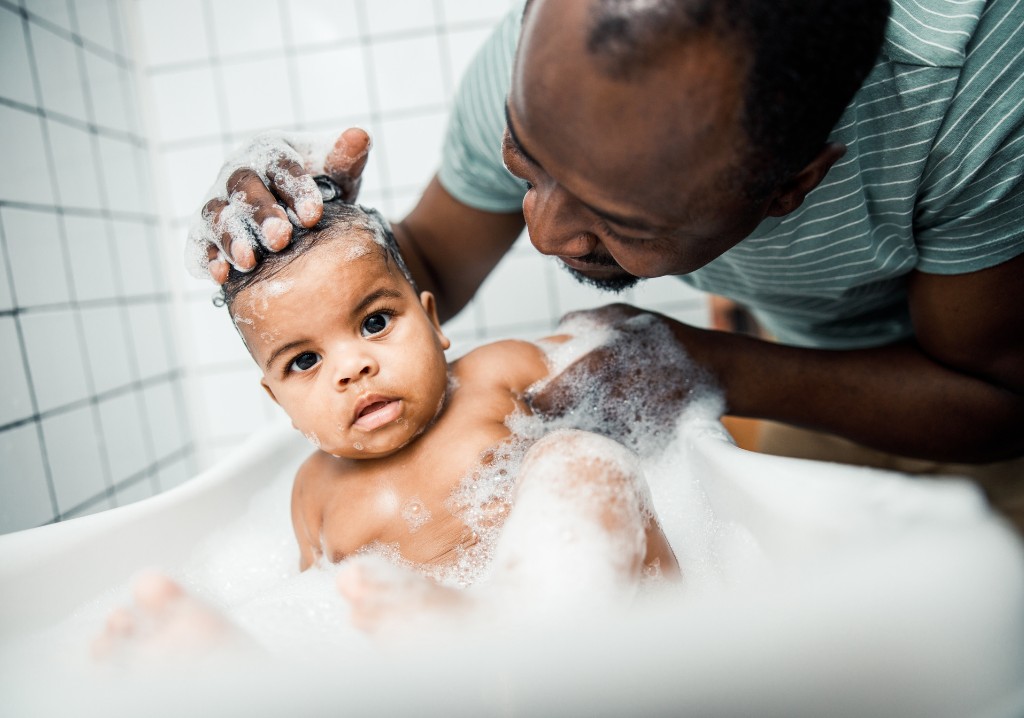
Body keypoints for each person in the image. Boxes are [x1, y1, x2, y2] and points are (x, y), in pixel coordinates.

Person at [187, 0, 1024, 529]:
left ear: (791, 187)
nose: (544, 232)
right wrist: (311, 248)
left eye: (616, 220)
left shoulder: (976, 95)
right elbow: (430, 257)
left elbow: (996, 399)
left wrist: (700, 362)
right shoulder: (551, 64)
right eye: (525, 160)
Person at [94, 196, 681, 659]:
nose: (353, 368)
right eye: (304, 361)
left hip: (598, 641)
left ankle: (518, 630)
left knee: (579, 458)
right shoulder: (311, 492)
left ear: (431, 320)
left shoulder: (495, 375)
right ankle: (238, 676)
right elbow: (308, 614)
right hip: (438, 679)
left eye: (375, 322)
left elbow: (626, 363)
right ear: (278, 401)